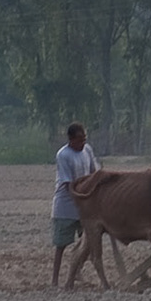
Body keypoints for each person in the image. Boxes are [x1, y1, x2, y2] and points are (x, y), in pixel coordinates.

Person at [50, 122, 99, 286]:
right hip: (66, 206)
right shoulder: (63, 155)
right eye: (79, 140)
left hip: (84, 204)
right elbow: (67, 184)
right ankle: (55, 280)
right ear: (70, 140)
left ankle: (77, 271)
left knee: (89, 240)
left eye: (84, 139)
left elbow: (94, 173)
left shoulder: (87, 150)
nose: (82, 143)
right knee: (61, 245)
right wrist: (84, 195)